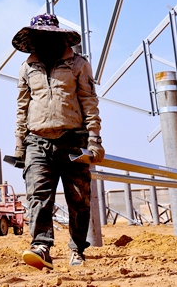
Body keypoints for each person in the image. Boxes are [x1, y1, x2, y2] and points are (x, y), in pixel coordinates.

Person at [13, 13, 103, 270]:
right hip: (37, 142)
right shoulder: (27, 68)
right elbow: (22, 107)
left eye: (48, 35)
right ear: (32, 39)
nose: (43, 40)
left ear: (58, 36)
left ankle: (77, 249)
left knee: (79, 199)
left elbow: (89, 101)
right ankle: (41, 247)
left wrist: (95, 139)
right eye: (38, 36)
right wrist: (19, 144)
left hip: (73, 141)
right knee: (38, 196)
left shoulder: (78, 64)